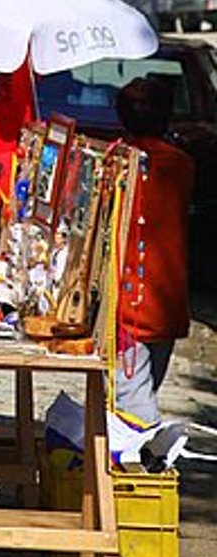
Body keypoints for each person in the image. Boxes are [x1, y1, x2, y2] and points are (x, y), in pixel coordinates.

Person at [113, 74, 194, 428]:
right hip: (167, 299)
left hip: (128, 302)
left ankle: (142, 466)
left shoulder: (116, 163)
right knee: (144, 390)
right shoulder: (181, 164)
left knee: (134, 406)